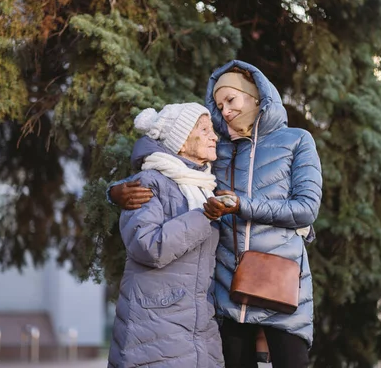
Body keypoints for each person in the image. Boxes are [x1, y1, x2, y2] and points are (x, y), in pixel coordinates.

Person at [108, 60, 322, 368]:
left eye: (231, 100)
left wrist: (241, 205)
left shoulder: (296, 141)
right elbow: (169, 161)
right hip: (226, 291)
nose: (225, 111)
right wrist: (116, 190)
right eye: (219, 105)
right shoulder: (218, 148)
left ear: (256, 95)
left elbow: (306, 209)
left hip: (281, 282)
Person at [107, 102, 224, 368]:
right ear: (181, 142)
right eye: (204, 130)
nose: (214, 136)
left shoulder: (204, 185)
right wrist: (203, 216)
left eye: (213, 130)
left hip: (198, 327)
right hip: (154, 327)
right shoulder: (150, 182)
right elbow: (146, 246)